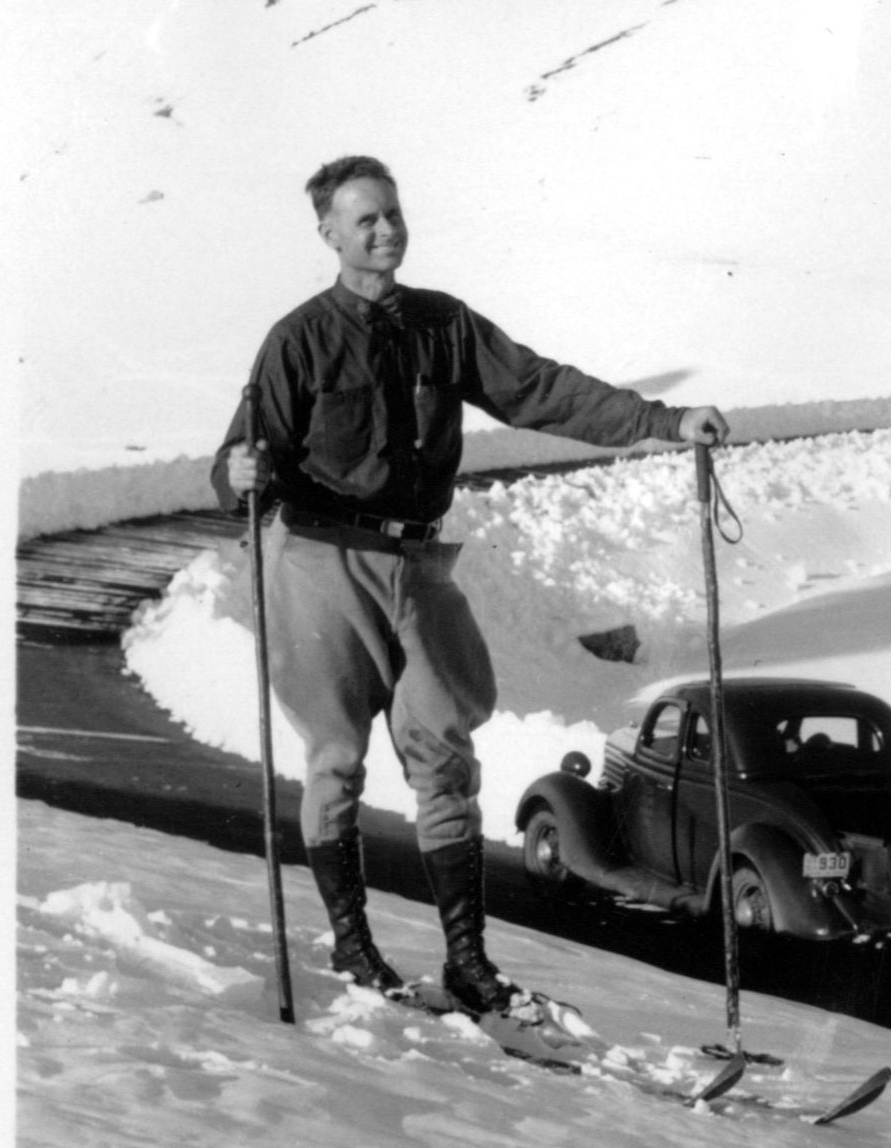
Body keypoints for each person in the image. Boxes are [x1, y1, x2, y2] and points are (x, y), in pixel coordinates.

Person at [213, 154, 728, 1015]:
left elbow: (537, 389)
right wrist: (238, 473)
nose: (386, 230)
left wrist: (663, 420)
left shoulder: (443, 324)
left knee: (444, 753)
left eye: (392, 212)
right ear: (329, 233)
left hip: (418, 565)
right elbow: (236, 463)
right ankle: (353, 945)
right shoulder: (296, 339)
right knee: (337, 758)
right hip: (318, 560)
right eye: (366, 219)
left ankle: (467, 960)